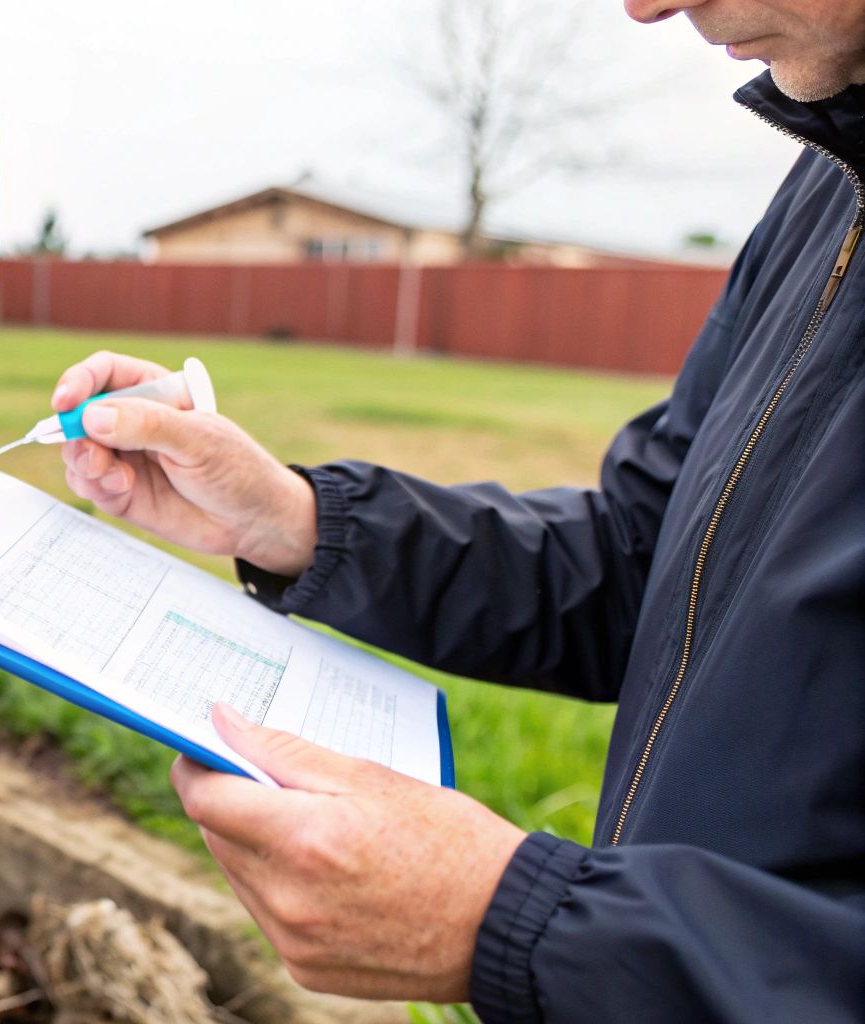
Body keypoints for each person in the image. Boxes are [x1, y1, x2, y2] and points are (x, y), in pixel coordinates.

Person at [52, 2, 865, 1019]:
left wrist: (528, 925)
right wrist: (293, 520)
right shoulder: (829, 178)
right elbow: (641, 563)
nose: (646, 4)